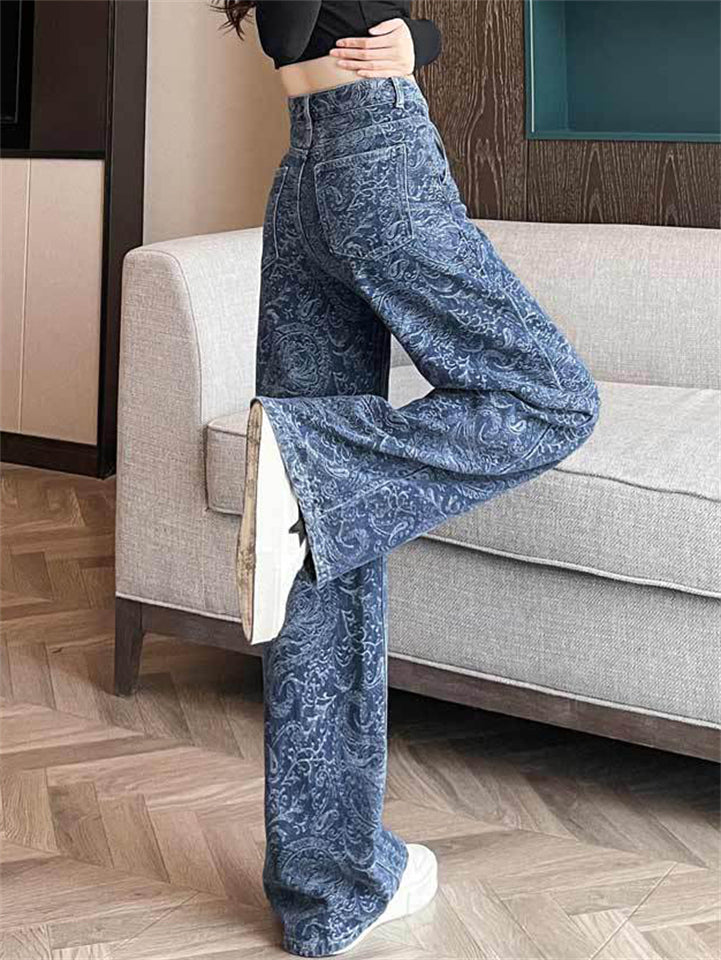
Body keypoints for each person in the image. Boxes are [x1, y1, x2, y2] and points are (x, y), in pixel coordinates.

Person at [212, 2, 601, 957]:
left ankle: (329, 891)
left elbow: (369, 23)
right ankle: (314, 459)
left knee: (323, 549)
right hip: (372, 158)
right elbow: (285, 28)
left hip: (317, 165)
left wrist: (415, 41)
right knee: (552, 399)